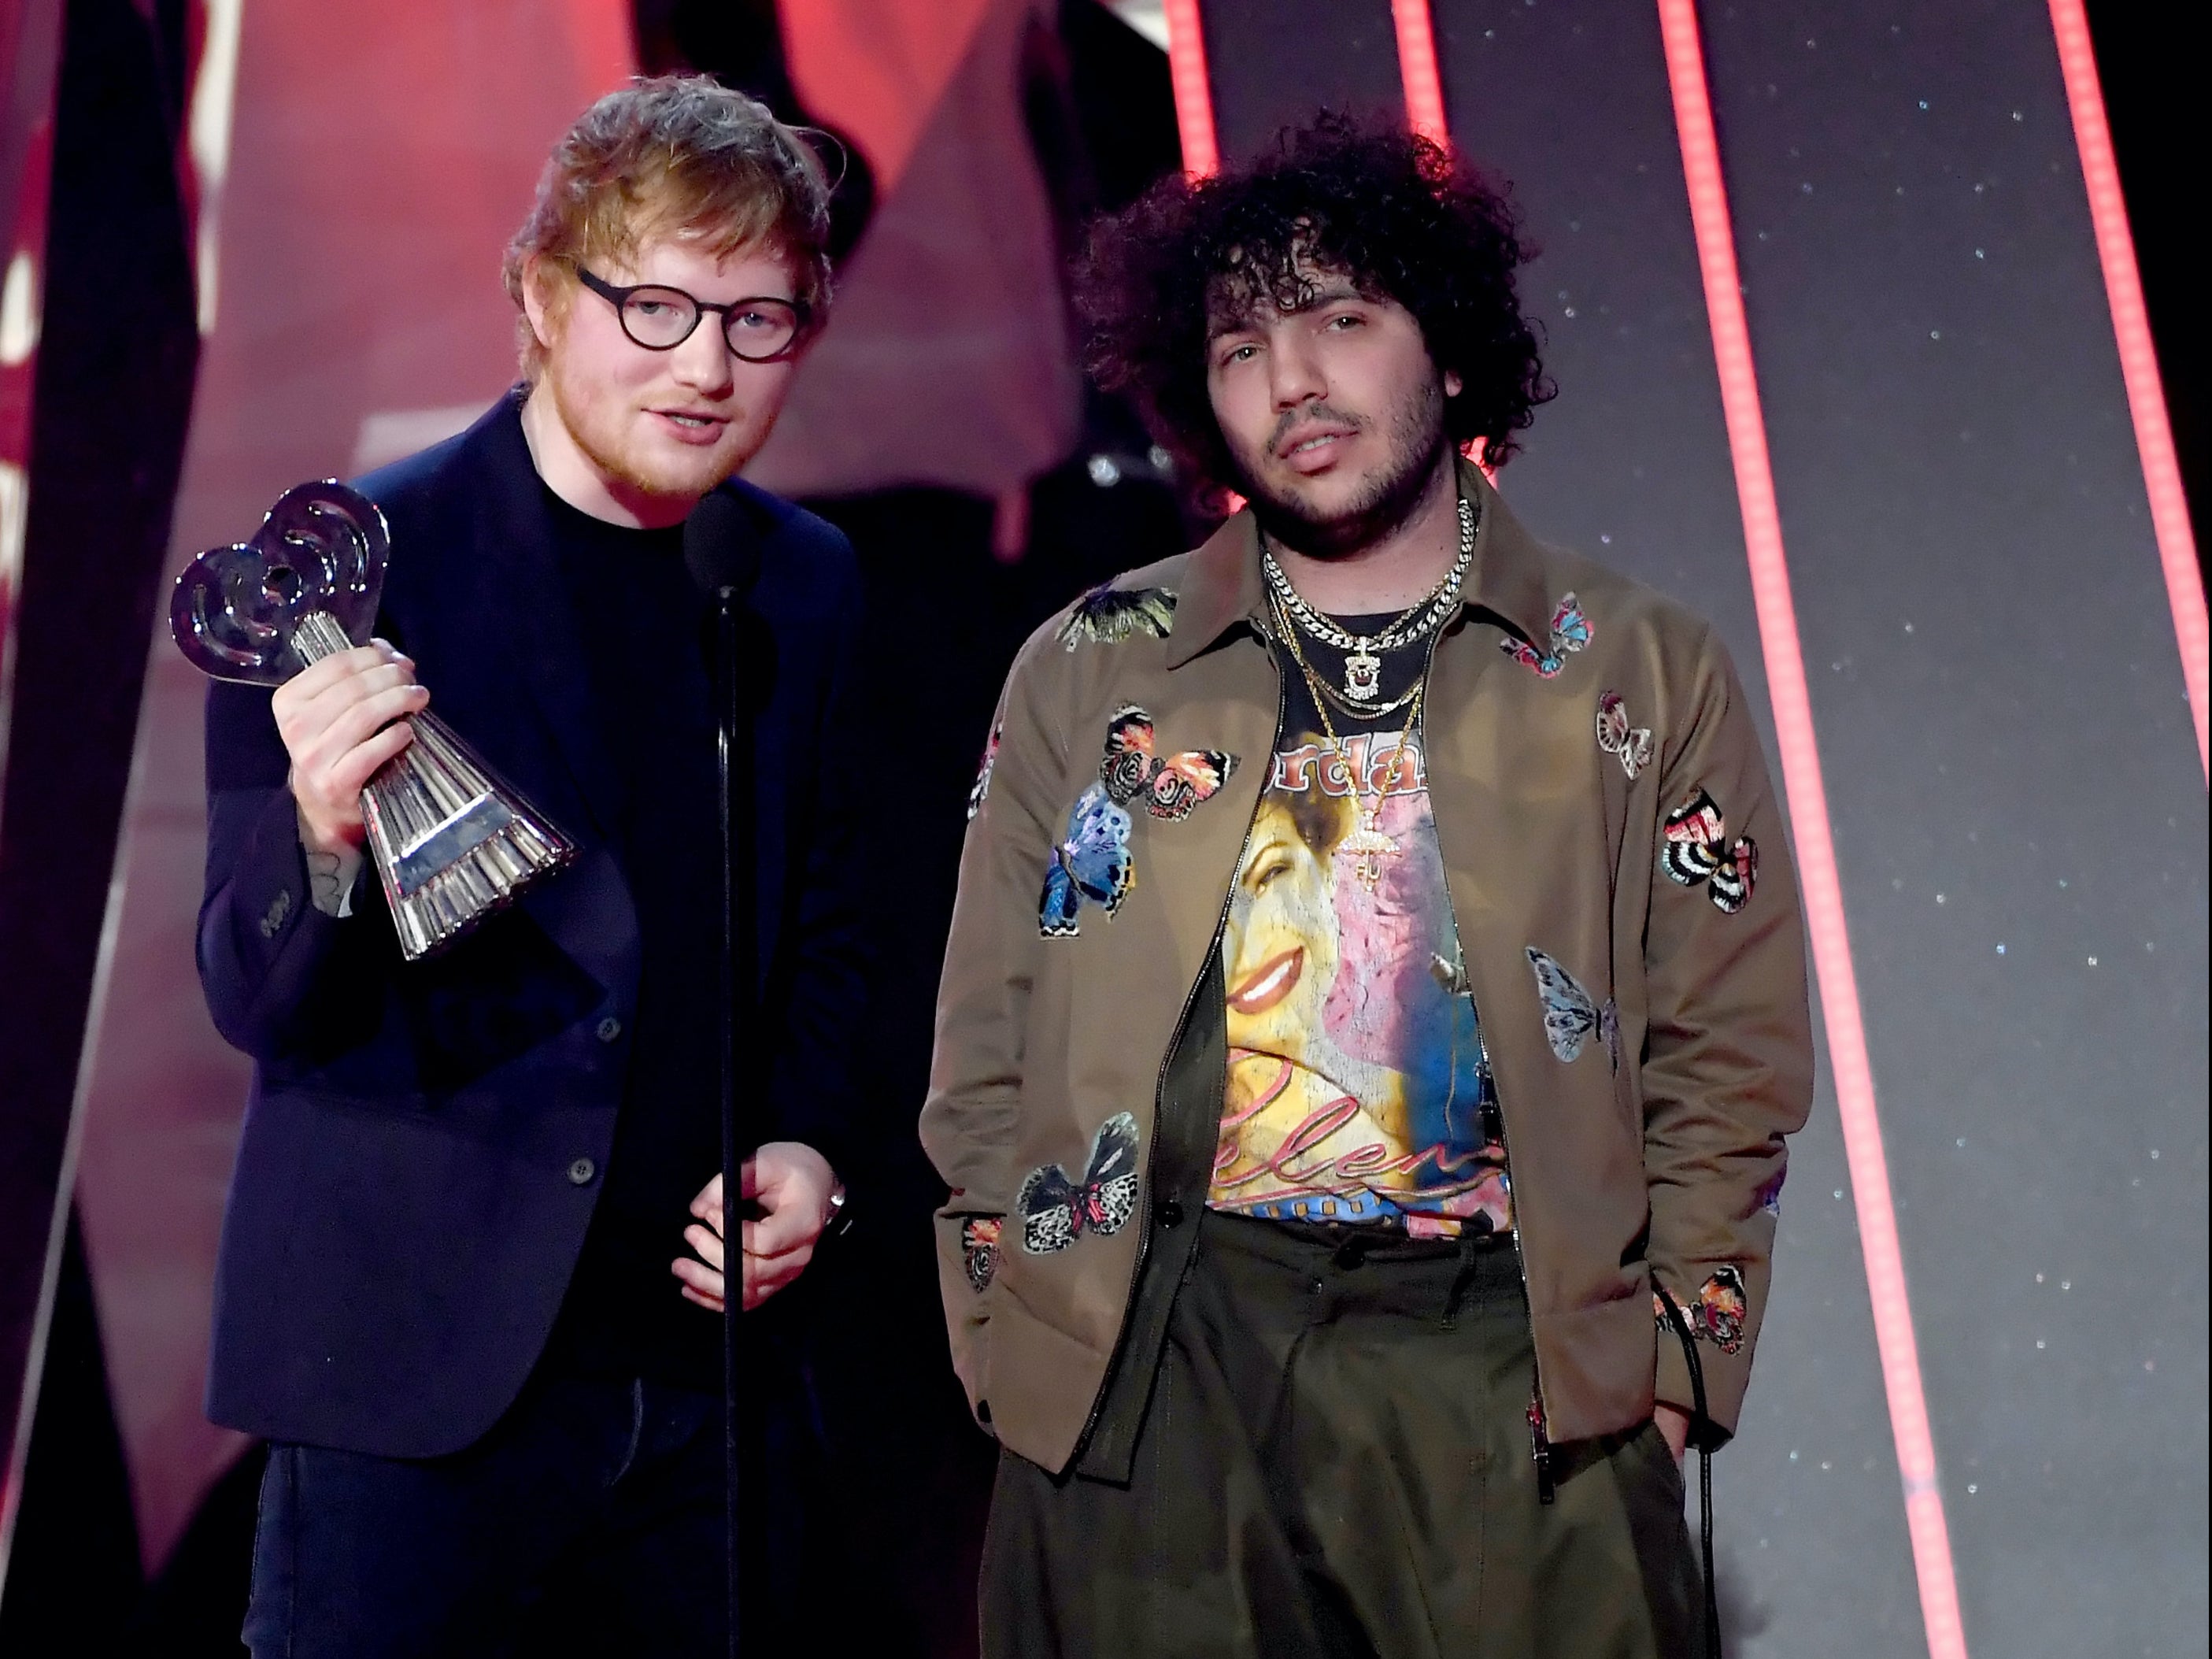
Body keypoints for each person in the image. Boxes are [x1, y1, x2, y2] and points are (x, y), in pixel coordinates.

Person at [921, 114, 1814, 1656]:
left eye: (1343, 319)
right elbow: (987, 1043)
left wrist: (1664, 1380)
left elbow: (1727, 1053)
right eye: (1242, 342)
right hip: (1157, 1355)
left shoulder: (1632, 666)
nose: (1293, 379)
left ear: (1450, 351)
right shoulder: (1092, 666)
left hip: (1506, 1358)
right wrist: (1019, 1332)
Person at [196, 77, 866, 1656]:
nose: (705, 367)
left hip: (706, 1387)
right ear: (538, 301)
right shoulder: (346, 568)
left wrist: (813, 1155)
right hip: (414, 1385)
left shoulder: (804, 582)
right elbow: (255, 990)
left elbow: (835, 926)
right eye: (654, 306)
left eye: (757, 321)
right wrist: (321, 831)